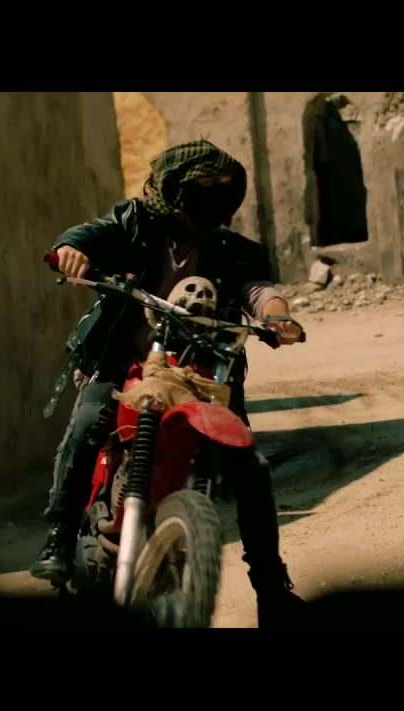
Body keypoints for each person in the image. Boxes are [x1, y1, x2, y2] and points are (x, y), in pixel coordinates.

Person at [32, 139, 306, 626]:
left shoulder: (229, 248)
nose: (214, 200)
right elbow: (90, 234)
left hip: (201, 375)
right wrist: (73, 249)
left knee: (250, 468)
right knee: (86, 425)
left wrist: (277, 316)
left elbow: (258, 290)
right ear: (175, 188)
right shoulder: (134, 224)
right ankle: (58, 538)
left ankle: (271, 588)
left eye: (223, 191)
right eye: (203, 189)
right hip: (124, 366)